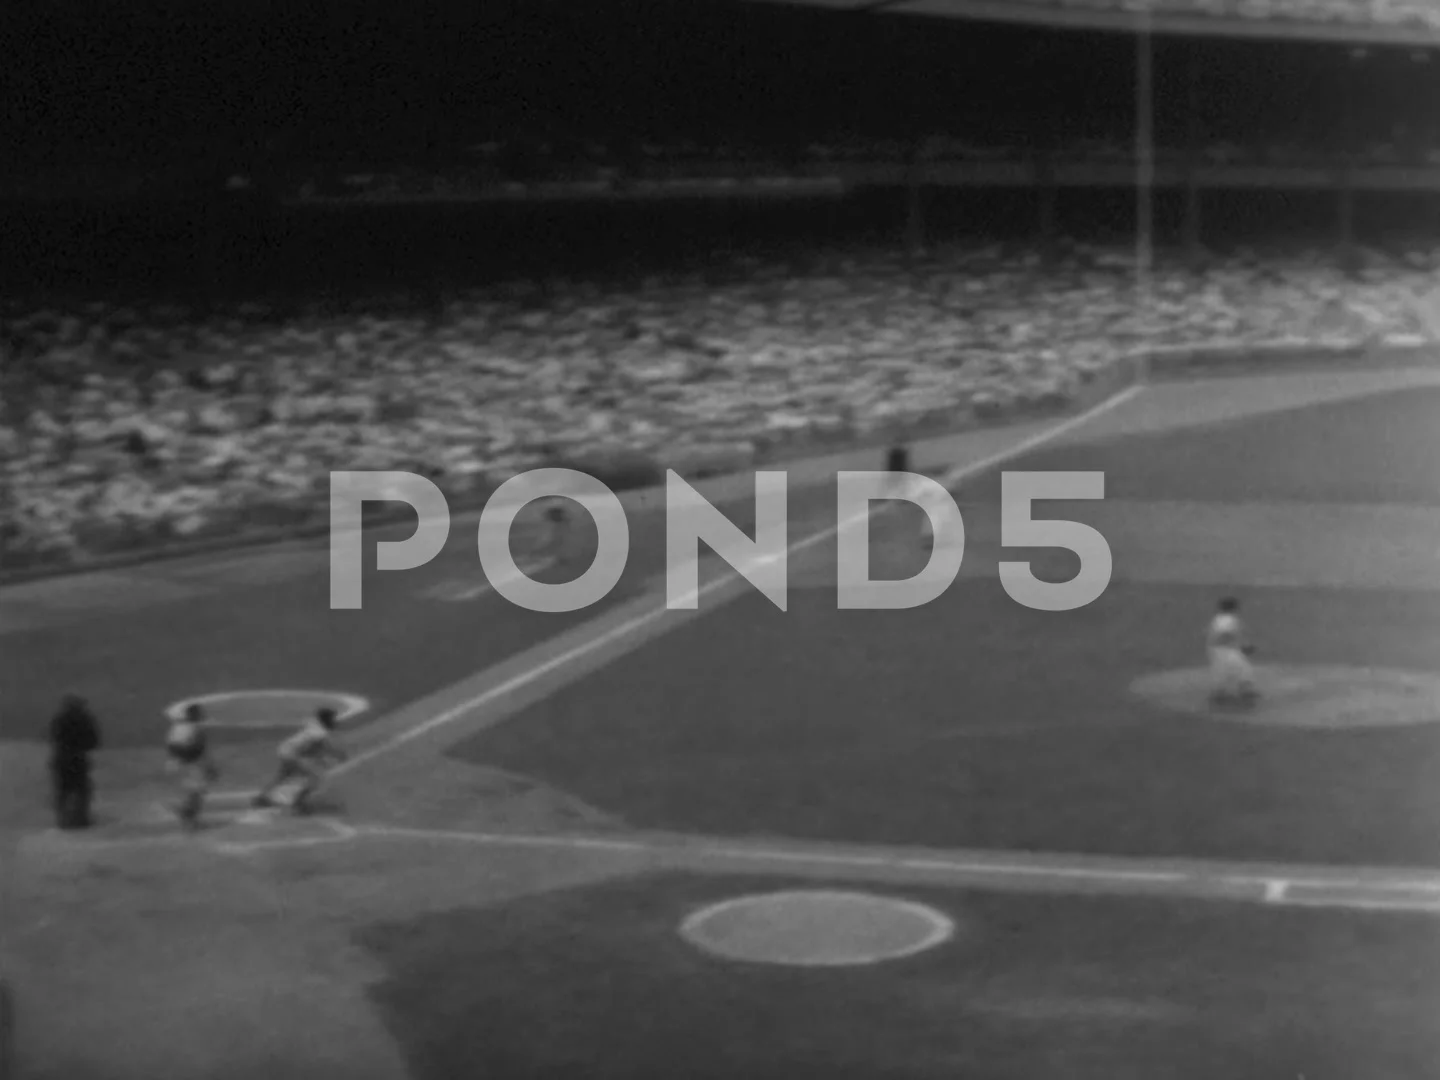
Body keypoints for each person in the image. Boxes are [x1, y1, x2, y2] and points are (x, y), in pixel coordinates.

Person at [251, 707, 347, 815]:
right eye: (332, 718)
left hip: (286, 750)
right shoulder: (319, 733)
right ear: (326, 720)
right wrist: (338, 755)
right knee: (316, 777)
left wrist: (322, 758)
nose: (335, 720)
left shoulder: (315, 725)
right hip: (291, 755)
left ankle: (261, 799)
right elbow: (324, 748)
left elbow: (312, 749)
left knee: (283, 776)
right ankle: (298, 805)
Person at [48, 694, 100, 829]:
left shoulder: (59, 720)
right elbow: (94, 741)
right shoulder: (85, 720)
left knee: (63, 789)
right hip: (78, 758)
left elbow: (53, 737)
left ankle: (62, 819)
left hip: (62, 757)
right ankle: (81, 819)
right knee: (81, 789)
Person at [165, 703, 219, 830]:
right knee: (197, 791)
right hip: (192, 763)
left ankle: (187, 813)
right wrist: (210, 768)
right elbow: (200, 750)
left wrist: (174, 761)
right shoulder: (196, 729)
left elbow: (172, 747)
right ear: (195, 715)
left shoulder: (177, 727)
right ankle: (189, 818)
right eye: (199, 713)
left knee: (192, 790)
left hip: (177, 764)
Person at [1207, 597, 1258, 707]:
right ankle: (1242, 692)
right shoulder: (1227, 619)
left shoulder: (1221, 618)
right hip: (1225, 650)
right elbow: (1223, 635)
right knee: (1240, 668)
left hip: (1222, 649)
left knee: (1229, 670)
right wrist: (1242, 646)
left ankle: (1223, 693)